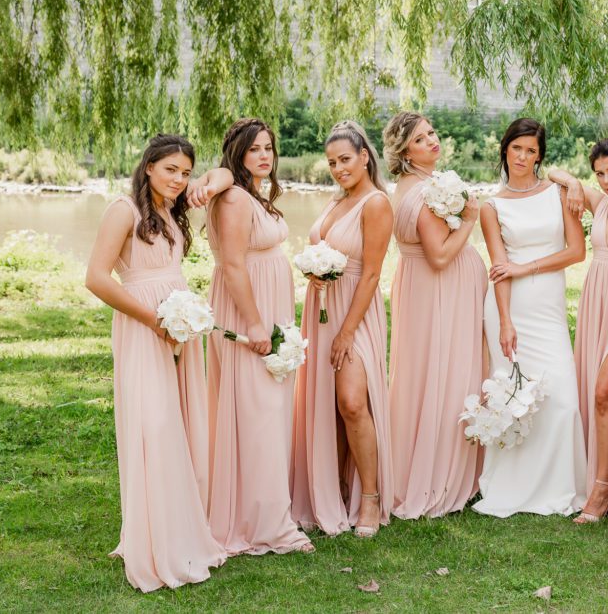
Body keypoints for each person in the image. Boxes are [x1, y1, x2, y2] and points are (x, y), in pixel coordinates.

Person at [85, 133, 230, 590]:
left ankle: (182, 531)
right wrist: (153, 320)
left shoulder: (172, 208)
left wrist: (181, 319)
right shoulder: (123, 209)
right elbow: (96, 278)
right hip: (145, 326)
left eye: (186, 172)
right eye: (170, 169)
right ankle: (154, 542)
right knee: (155, 426)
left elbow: (227, 175)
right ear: (148, 166)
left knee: (181, 424)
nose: (179, 179)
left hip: (178, 325)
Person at [206, 118, 313, 555]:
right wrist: (253, 324)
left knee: (265, 412)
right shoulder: (234, 197)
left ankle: (262, 510)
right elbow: (233, 265)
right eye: (254, 149)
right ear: (237, 153)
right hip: (248, 309)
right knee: (260, 412)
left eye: (268, 147)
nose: (264, 155)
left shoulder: (252, 193)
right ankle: (267, 525)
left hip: (268, 306)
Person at [473, 118, 587, 517]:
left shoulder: (559, 192)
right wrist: (505, 322)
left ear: (540, 157)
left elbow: (577, 251)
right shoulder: (492, 207)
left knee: (563, 400)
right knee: (516, 396)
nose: (522, 157)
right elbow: (499, 268)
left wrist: (527, 267)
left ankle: (560, 486)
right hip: (511, 308)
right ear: (505, 149)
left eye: (531, 151)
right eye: (517, 148)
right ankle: (515, 483)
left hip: (548, 307)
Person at [291, 120, 394, 537]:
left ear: (365, 156)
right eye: (332, 162)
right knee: (326, 405)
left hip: (356, 311)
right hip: (322, 309)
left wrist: (348, 331)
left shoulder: (376, 203)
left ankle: (370, 497)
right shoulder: (337, 199)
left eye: (345, 159)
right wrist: (313, 272)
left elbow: (371, 273)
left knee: (352, 402)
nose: (338, 168)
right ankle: (330, 489)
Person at [383, 111, 487, 519]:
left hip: (423, 287)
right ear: (405, 152)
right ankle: (436, 472)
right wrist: (469, 220)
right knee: (444, 370)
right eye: (420, 139)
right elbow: (441, 256)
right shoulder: (424, 193)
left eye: (432, 133)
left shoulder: (410, 186)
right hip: (440, 288)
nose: (432, 141)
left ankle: (418, 463)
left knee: (422, 372)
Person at [547, 139, 608, 524]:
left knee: (607, 390)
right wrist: (574, 183)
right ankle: (604, 476)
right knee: (597, 393)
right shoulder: (600, 202)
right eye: (600, 173)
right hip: (597, 301)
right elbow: (552, 172)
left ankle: (604, 487)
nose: (607, 180)